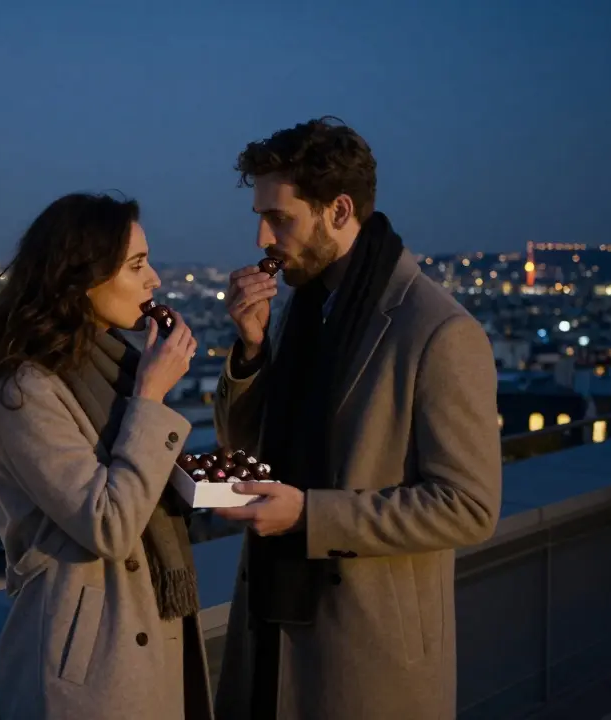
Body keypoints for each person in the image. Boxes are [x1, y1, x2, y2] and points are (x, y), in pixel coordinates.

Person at [210, 117, 503, 719]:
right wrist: (251, 350)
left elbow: (470, 507)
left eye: (282, 218)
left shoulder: (439, 331)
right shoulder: (304, 306)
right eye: (261, 218)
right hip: (271, 630)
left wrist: (310, 515)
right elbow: (250, 444)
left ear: (339, 210)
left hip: (366, 657)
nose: (264, 237)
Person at [0, 192, 214, 720]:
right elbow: (109, 525)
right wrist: (149, 399)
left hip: (145, 633)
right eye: (137, 265)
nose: (155, 281)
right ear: (82, 277)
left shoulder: (113, 364)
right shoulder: (26, 390)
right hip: (92, 664)